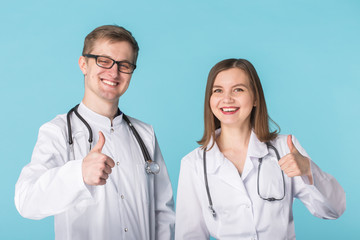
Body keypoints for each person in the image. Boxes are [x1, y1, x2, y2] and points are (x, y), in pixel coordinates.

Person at [15, 25, 175, 240]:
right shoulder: (58, 131)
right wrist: (78, 174)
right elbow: (27, 201)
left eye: (124, 65)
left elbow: (163, 212)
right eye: (104, 60)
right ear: (84, 64)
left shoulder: (145, 134)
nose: (114, 72)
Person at [175, 58, 345, 239]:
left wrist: (309, 171)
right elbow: (189, 235)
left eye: (238, 89)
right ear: (210, 99)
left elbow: (334, 209)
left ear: (255, 98)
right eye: (218, 91)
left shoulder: (286, 148)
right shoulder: (193, 163)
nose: (227, 99)